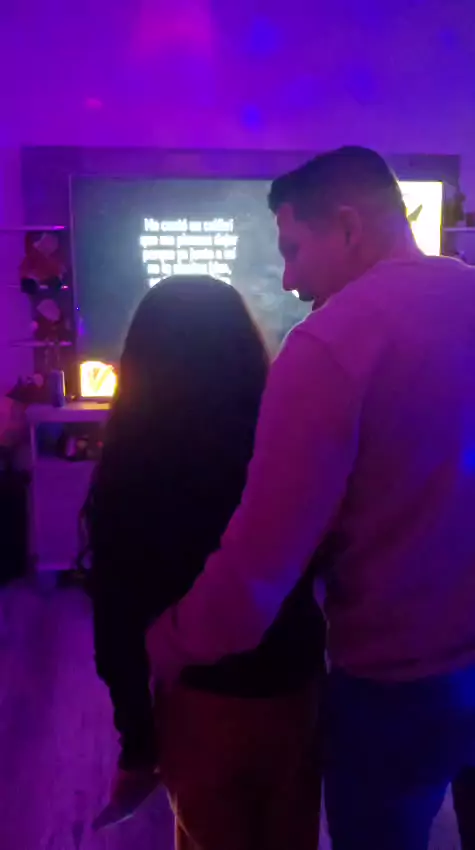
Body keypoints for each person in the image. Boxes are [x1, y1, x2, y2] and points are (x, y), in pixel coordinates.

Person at [147, 148, 475, 850]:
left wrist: (167, 642)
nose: (289, 280)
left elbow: (259, 573)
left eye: (294, 250)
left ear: (349, 227)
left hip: (399, 681)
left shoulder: (329, 344)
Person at [83, 275, 324, 849]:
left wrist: (137, 743)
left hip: (201, 698)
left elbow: (117, 619)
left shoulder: (132, 469)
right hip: (296, 688)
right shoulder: (285, 448)